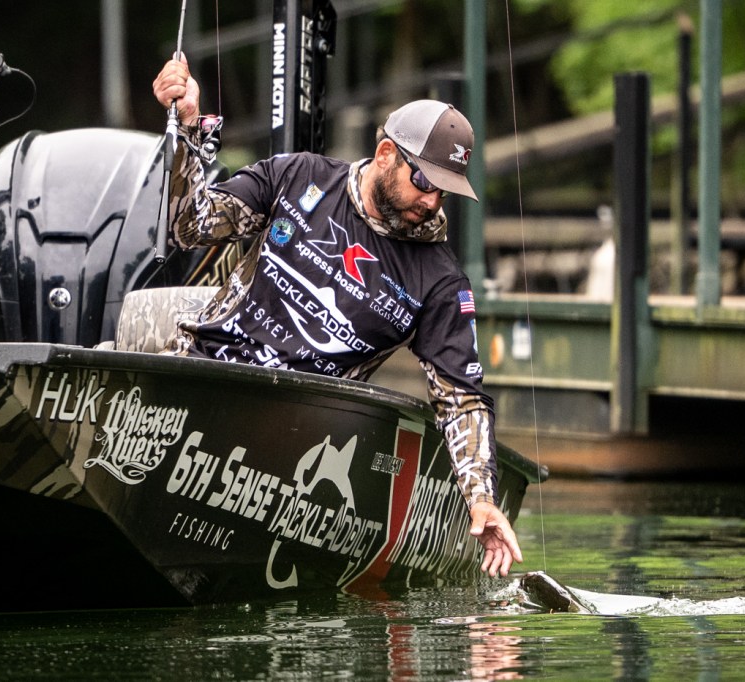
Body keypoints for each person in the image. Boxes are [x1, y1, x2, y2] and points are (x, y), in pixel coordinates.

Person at [152, 57, 522, 578]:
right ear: (386, 154)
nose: (432, 200)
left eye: (446, 189)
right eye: (423, 180)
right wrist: (187, 128)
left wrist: (480, 497)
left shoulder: (440, 281)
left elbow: (462, 400)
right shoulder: (298, 175)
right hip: (199, 375)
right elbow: (190, 228)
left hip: (291, 435)